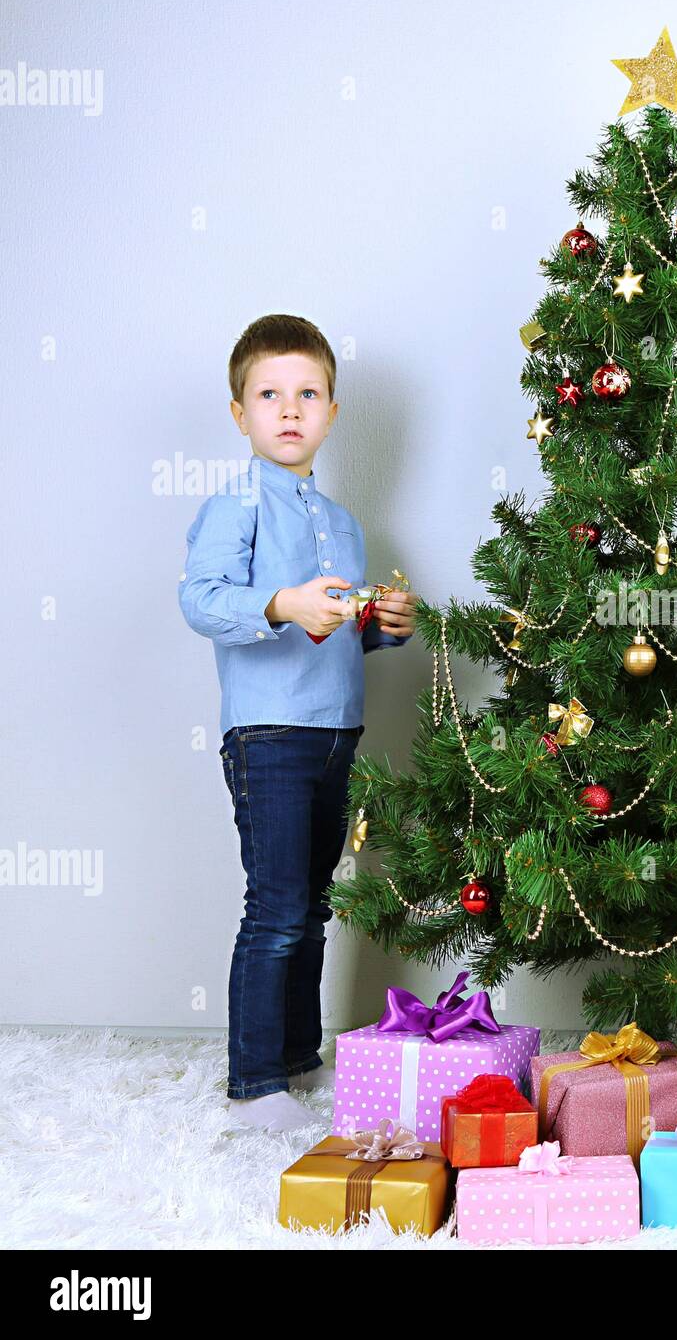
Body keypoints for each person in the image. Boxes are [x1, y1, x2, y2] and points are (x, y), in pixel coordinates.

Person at [179, 314, 419, 1133]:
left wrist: (382, 625)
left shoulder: (345, 524)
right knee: (276, 906)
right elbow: (201, 601)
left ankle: (294, 1058)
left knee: (313, 903)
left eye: (307, 393)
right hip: (267, 734)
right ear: (241, 412)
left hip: (333, 732)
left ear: (332, 412)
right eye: (269, 394)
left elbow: (341, 635)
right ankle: (253, 1084)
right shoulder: (235, 503)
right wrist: (281, 603)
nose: (289, 409)